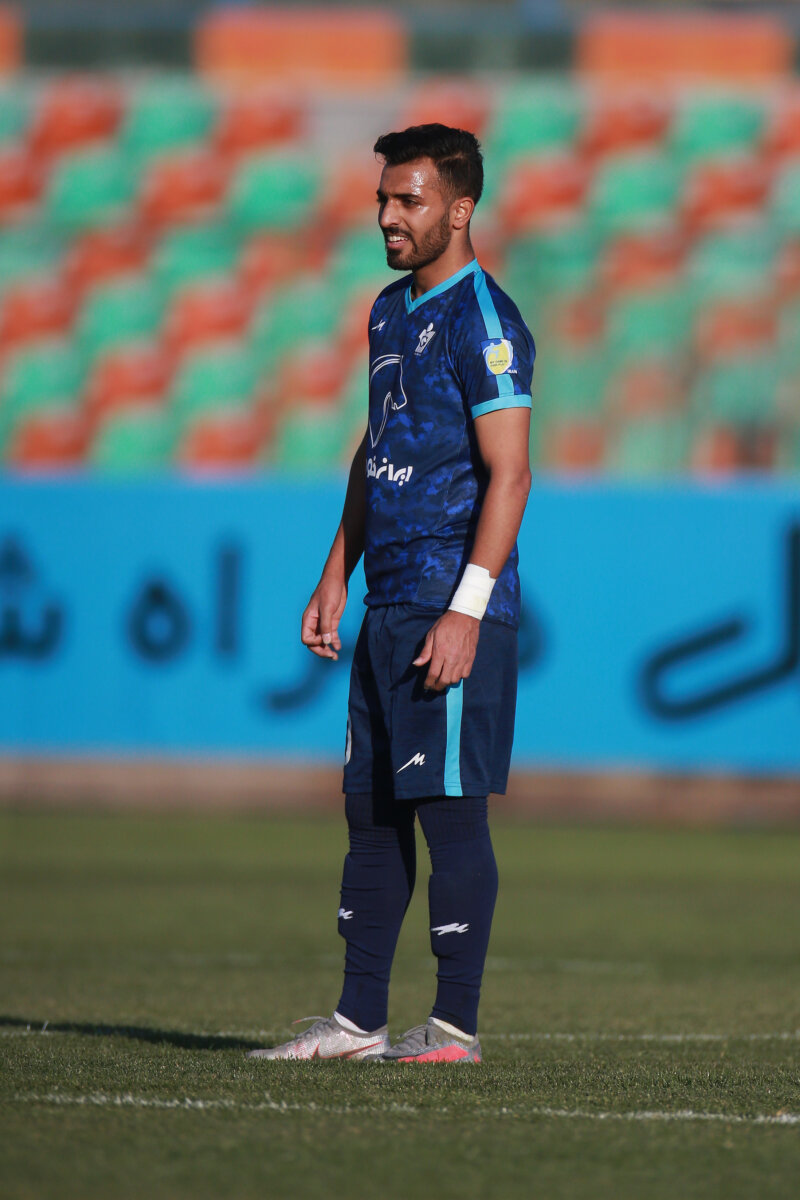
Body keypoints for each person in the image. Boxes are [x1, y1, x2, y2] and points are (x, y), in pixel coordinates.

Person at [248, 124, 534, 1064]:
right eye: (383, 199)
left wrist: (466, 609)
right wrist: (338, 569)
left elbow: (510, 475)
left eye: (409, 200)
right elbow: (376, 449)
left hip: (450, 604)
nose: (388, 216)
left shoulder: (486, 322)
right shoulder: (386, 311)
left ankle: (452, 1030)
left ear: (460, 209)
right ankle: (357, 1023)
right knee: (369, 813)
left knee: (449, 813)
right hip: (386, 601)